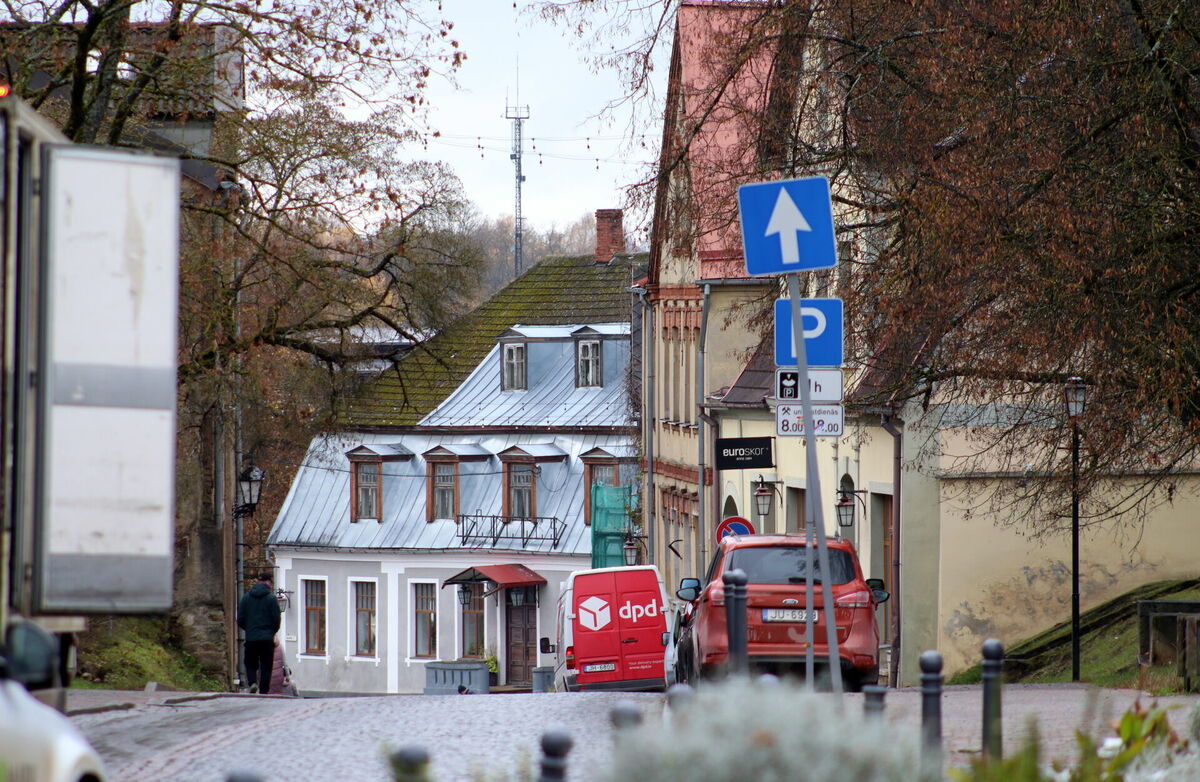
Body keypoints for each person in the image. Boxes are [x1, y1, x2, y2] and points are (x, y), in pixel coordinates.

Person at [237, 572, 281, 694]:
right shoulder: (271, 599)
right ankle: (264, 692)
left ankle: (252, 683)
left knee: (250, 663)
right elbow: (276, 619)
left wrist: (249, 630)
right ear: (268, 582)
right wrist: (272, 631)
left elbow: (240, 618)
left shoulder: (246, 598)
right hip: (267, 639)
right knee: (266, 666)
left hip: (251, 638)